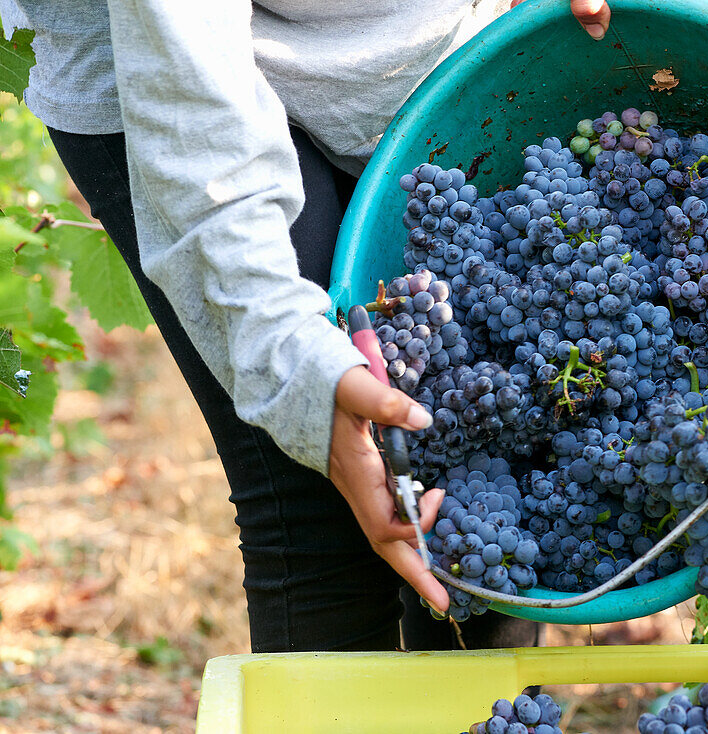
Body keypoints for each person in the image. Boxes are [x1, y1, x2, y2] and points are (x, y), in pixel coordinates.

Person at [0, 0, 611, 653]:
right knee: (318, 504)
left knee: (480, 491)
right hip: (170, 67)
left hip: (419, 46)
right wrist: (295, 369)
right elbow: (196, 112)